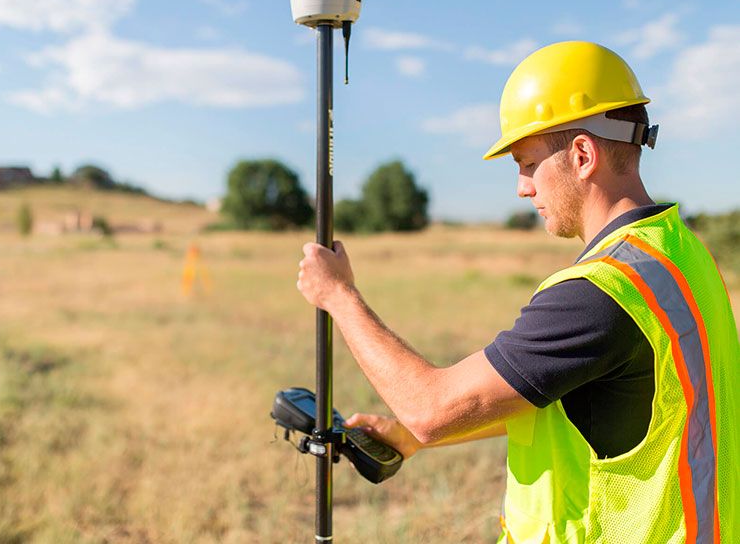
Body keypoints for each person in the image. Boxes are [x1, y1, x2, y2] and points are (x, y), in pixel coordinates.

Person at [296, 41, 738, 543]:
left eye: (527, 163)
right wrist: (409, 439)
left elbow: (430, 409)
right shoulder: (680, 254)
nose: (522, 188)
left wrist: (339, 296)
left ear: (582, 154)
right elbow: (575, 401)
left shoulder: (601, 293)